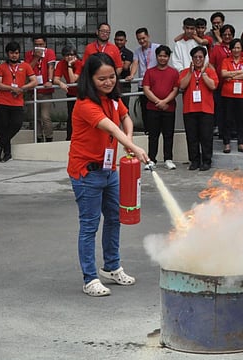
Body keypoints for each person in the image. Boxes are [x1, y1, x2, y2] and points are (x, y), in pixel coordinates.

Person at [67, 52, 149, 297]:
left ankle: (112, 267)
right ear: (90, 79)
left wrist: (129, 139)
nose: (108, 82)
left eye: (112, 76)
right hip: (87, 173)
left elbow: (124, 118)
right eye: (101, 79)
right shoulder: (85, 104)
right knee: (89, 225)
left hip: (109, 170)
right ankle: (90, 278)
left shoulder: (112, 99)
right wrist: (135, 148)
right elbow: (111, 127)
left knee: (114, 218)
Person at [0, 42, 37, 163]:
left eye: (16, 53)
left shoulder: (25, 66)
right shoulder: (1, 67)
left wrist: (22, 88)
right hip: (3, 101)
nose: (14, 55)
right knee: (5, 128)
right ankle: (7, 154)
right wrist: (11, 88)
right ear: (7, 53)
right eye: (11, 53)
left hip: (17, 102)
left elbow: (34, 81)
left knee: (17, 124)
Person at [178, 46, 218, 171]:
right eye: (195, 57)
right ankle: (194, 161)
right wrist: (190, 73)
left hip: (206, 109)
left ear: (204, 58)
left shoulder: (210, 71)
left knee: (206, 137)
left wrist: (204, 74)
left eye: (200, 57)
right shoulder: (185, 72)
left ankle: (206, 161)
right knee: (192, 137)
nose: (198, 59)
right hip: (189, 109)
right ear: (192, 58)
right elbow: (182, 86)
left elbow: (213, 86)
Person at [142, 45, 179, 170]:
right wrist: (158, 101)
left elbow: (175, 89)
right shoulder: (149, 72)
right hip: (152, 108)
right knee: (153, 135)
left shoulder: (174, 72)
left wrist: (165, 101)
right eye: (160, 56)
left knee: (168, 135)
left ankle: (168, 159)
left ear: (168, 57)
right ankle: (151, 160)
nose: (162, 58)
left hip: (169, 108)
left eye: (165, 56)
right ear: (156, 56)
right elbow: (146, 89)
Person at [220, 38, 243, 154]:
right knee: (227, 119)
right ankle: (226, 143)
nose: (236, 50)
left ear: (242, 49)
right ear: (230, 49)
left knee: (241, 119)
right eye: (234, 47)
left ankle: (241, 143)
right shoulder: (226, 61)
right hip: (227, 94)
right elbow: (223, 74)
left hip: (242, 94)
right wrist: (240, 72)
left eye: (238, 47)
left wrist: (232, 76)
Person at [24, 35, 56, 142]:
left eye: (41, 44)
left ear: (45, 44)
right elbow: (27, 69)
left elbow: (51, 67)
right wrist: (36, 57)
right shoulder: (29, 54)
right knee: (35, 116)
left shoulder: (49, 52)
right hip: (32, 90)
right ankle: (38, 137)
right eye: (36, 45)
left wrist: (50, 80)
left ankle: (49, 137)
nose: (39, 47)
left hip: (45, 90)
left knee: (45, 116)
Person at [129, 27, 161, 132]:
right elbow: (135, 63)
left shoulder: (157, 48)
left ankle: (158, 129)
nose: (142, 41)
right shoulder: (137, 51)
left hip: (156, 84)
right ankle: (147, 130)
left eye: (143, 38)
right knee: (145, 108)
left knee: (157, 108)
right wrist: (132, 75)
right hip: (142, 84)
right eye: (139, 39)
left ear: (148, 36)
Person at [54, 45, 83, 141]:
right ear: (63, 56)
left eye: (72, 54)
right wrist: (60, 83)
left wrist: (70, 65)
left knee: (82, 116)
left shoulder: (79, 63)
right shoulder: (61, 63)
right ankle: (69, 138)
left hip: (83, 93)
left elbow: (72, 80)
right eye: (67, 55)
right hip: (71, 93)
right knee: (71, 116)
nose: (70, 57)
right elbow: (55, 79)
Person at [113, 30, 134, 108]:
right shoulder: (110, 51)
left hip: (125, 84)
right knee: (113, 107)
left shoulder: (129, 53)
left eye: (121, 40)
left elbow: (125, 66)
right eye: (117, 40)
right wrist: (121, 62)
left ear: (125, 41)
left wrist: (114, 62)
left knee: (124, 107)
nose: (119, 42)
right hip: (112, 84)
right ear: (114, 40)